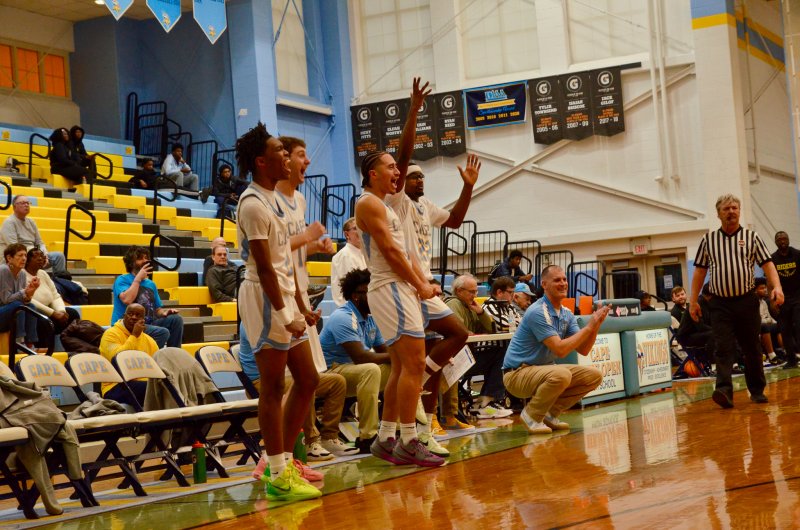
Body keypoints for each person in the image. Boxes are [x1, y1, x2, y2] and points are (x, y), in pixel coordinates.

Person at [385, 77, 475, 451]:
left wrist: (468, 187)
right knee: (407, 363)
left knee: (455, 336)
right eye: (414, 177)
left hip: (423, 287)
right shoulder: (397, 202)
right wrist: (415, 110)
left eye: (422, 178)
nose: (419, 181)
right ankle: (403, 431)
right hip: (404, 285)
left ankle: (425, 388)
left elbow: (454, 221)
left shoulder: (425, 206)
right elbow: (403, 155)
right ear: (403, 180)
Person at [234, 123, 322, 501]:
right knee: (273, 387)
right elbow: (266, 267)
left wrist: (302, 304)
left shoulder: (275, 200)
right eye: (279, 151)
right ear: (261, 161)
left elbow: (286, 260)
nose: (286, 156)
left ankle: (283, 461)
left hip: (284, 294)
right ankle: (277, 472)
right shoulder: (252, 204)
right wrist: (286, 313)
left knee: (309, 379)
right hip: (263, 297)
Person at [355, 147, 444, 467]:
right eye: (392, 167)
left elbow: (404, 253)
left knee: (402, 366)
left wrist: (423, 282)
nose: (398, 172)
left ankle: (385, 436)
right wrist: (419, 284)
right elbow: (391, 253)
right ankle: (408, 439)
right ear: (373, 174)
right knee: (416, 364)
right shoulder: (367, 203)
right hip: (390, 287)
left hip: (398, 286)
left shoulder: (383, 204)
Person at [689, 194, 784, 408]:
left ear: (739, 211)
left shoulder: (752, 237)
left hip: (746, 301)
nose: (731, 211)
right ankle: (723, 391)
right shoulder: (709, 240)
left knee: (752, 346)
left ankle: (757, 390)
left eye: (734, 208)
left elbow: (768, 265)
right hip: (720, 304)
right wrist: (692, 301)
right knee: (723, 347)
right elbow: (699, 272)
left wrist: (776, 287)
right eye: (726, 209)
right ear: (718, 214)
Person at [502, 265, 611, 434]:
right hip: (516, 374)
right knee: (561, 374)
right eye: (557, 280)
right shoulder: (538, 311)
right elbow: (560, 350)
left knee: (593, 376)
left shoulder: (566, 313)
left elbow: (584, 349)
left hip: (542, 371)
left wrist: (596, 325)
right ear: (544, 285)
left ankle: (549, 414)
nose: (563, 283)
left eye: (564, 279)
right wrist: (589, 327)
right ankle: (531, 415)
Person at [237, 326, 350, 466]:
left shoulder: (283, 320)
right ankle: (310, 442)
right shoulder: (255, 321)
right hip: (261, 381)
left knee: (336, 381)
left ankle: (329, 437)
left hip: (286, 374)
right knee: (304, 383)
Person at [319, 268, 392, 453]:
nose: (377, 298)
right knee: (371, 369)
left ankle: (399, 430)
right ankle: (368, 437)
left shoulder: (370, 319)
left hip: (352, 372)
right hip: (330, 372)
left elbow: (385, 351)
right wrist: (399, 355)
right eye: (371, 293)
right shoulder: (342, 317)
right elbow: (361, 357)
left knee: (398, 369)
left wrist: (403, 358)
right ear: (356, 295)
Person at [445, 274, 512, 419]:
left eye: (476, 291)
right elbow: (459, 331)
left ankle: (487, 400)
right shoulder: (454, 304)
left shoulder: (470, 307)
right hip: (456, 360)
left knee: (501, 351)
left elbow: (491, 329)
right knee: (501, 352)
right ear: (459, 291)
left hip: (468, 357)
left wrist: (481, 312)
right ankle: (486, 402)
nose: (475, 295)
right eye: (471, 292)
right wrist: (472, 333)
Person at [111, 246, 184, 348]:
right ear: (131, 263)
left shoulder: (151, 284)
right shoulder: (122, 279)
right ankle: (149, 358)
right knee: (162, 332)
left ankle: (173, 354)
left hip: (147, 324)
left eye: (146, 258)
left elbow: (157, 310)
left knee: (176, 320)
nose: (145, 261)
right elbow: (127, 300)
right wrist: (137, 279)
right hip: (127, 325)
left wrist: (164, 313)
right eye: (140, 258)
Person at [99, 303, 158, 407]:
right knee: (150, 389)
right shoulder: (111, 334)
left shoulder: (149, 341)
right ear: (124, 316)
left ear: (143, 319)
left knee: (165, 387)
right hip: (115, 385)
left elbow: (158, 366)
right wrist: (134, 336)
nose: (134, 317)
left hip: (142, 383)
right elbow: (118, 360)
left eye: (138, 315)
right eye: (130, 314)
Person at [0, 195, 69, 278]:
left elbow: (39, 242)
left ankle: (61, 283)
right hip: (18, 257)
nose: (26, 205)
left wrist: (44, 255)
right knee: (29, 257)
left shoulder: (31, 222)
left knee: (58, 257)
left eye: (28, 203)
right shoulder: (9, 222)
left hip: (35, 254)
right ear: (14, 207)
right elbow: (14, 247)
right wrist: (36, 254)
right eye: (23, 203)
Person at [24, 247, 79, 348]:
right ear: (27, 260)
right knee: (44, 321)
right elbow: (28, 299)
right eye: (36, 256)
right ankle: (44, 353)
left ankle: (72, 348)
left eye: (41, 256)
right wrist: (52, 313)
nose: (40, 258)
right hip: (33, 313)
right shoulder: (21, 275)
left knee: (72, 314)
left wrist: (61, 311)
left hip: (51, 311)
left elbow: (55, 295)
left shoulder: (43, 273)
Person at [0, 243, 39, 344]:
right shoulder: (3, 270)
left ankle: (31, 344)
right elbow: (6, 300)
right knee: (19, 306)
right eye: (20, 255)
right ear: (9, 258)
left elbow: (22, 299)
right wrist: (24, 292)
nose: (24, 258)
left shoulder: (22, 273)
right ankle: (19, 343)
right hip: (2, 310)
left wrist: (30, 293)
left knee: (31, 307)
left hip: (8, 311)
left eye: (25, 255)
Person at [772, 231, 800, 369]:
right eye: (779, 239)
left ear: (788, 240)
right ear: (776, 242)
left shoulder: (797, 254)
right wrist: (772, 300)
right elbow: (770, 280)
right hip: (782, 299)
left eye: (785, 238)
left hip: (798, 297)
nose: (782, 241)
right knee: (785, 330)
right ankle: (791, 359)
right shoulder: (772, 259)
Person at [330, 217, 367, 306]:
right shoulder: (344, 255)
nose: (360, 231)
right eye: (355, 228)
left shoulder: (363, 254)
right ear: (347, 234)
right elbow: (352, 288)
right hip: (351, 310)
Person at [755, 277, 781, 365]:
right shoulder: (753, 303)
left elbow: (769, 317)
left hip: (766, 323)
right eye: (762, 288)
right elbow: (758, 319)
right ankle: (771, 355)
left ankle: (785, 351)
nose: (765, 290)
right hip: (758, 326)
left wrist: (777, 323)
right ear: (755, 291)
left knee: (780, 325)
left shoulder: (764, 302)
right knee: (764, 326)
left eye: (765, 287)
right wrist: (768, 320)